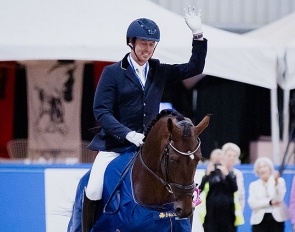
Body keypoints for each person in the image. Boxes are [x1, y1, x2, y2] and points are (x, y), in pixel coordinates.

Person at [81, 6, 208, 232]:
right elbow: (101, 111)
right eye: (143, 44)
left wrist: (198, 35)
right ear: (131, 43)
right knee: (93, 188)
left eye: (151, 45)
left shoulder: (158, 70)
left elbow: (194, 67)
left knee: (179, 181)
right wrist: (127, 133)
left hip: (148, 148)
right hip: (116, 145)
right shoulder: (112, 73)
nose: (147, 49)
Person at [198, 148, 240, 232]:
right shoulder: (207, 174)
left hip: (228, 215)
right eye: (215, 162)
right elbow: (199, 189)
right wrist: (207, 175)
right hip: (211, 214)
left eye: (220, 161)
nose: (217, 165)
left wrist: (226, 174)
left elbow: (234, 188)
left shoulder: (231, 174)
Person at [248, 157, 289, 232]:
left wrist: (276, 183)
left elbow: (279, 199)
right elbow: (252, 203)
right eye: (260, 167)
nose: (262, 169)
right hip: (259, 220)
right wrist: (269, 202)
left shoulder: (279, 181)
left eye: (264, 166)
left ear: (270, 168)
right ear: (257, 170)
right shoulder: (253, 185)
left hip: (276, 219)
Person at [221, 142, 245, 212]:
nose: (232, 158)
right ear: (223, 156)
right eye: (229, 155)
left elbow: (241, 194)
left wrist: (240, 210)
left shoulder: (238, 174)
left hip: (233, 211)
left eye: (234, 156)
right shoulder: (217, 171)